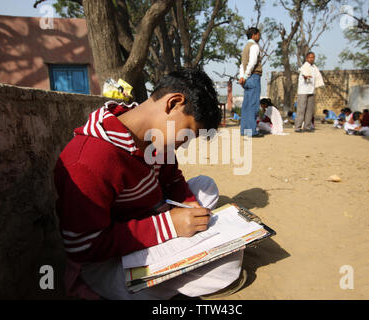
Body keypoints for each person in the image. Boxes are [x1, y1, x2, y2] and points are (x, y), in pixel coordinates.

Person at [54, 69, 245, 300]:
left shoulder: (155, 140)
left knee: (206, 185)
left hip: (149, 216)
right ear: (173, 103)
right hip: (105, 262)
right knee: (228, 266)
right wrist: (169, 226)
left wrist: (188, 206)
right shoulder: (89, 160)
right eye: (187, 135)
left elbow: (172, 179)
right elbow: (83, 245)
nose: (183, 145)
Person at [239, 27, 263, 137]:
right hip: (253, 77)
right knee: (253, 105)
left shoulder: (245, 47)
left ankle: (244, 130)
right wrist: (246, 75)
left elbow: (242, 64)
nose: (260, 36)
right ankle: (252, 131)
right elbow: (252, 62)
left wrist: (242, 77)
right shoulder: (254, 46)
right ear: (254, 35)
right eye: (258, 34)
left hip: (246, 78)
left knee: (246, 105)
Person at [295, 52, 325, 133]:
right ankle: (297, 127)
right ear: (306, 58)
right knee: (301, 110)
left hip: (311, 90)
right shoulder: (304, 67)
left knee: (309, 110)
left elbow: (318, 77)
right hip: (303, 91)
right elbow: (304, 74)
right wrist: (305, 77)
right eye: (310, 57)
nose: (311, 59)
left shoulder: (314, 67)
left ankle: (307, 126)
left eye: (313, 57)